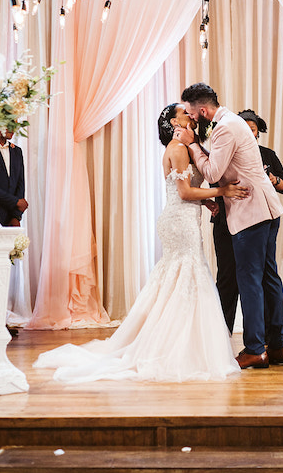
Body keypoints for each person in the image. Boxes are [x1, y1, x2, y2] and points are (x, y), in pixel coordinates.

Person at [34, 103, 247, 383]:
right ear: (174, 122)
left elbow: (179, 188)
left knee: (178, 278)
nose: (191, 116)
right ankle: (175, 345)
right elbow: (183, 192)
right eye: (185, 113)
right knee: (187, 275)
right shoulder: (179, 149)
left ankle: (174, 337)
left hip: (180, 218)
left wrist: (206, 200)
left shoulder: (177, 147)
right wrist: (221, 191)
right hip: (180, 222)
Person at [175, 83, 283, 370]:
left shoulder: (225, 127)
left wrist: (191, 144)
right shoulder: (231, 122)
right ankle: (277, 346)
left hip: (251, 211)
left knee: (250, 279)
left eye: (190, 112)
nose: (190, 118)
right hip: (267, 209)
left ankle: (254, 349)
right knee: (268, 277)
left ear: (201, 110)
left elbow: (213, 171)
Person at [211, 109, 283, 334]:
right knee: (228, 277)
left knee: (260, 277)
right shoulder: (225, 149)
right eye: (243, 128)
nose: (247, 132)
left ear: (258, 133)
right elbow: (213, 177)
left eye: (252, 129)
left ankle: (266, 339)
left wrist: (273, 180)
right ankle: (222, 333)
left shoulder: (266, 154)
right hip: (226, 221)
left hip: (255, 220)